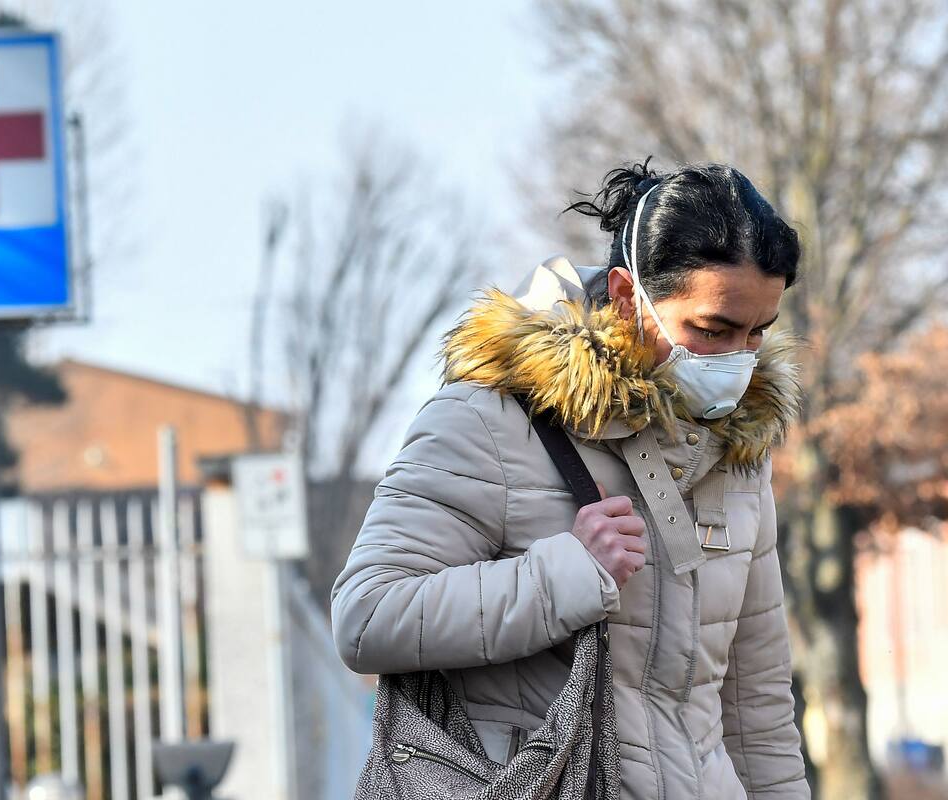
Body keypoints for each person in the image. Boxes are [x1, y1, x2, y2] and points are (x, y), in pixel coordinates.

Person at [330, 158, 811, 799]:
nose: (736, 361)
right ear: (624, 294)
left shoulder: (738, 448)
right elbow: (366, 616)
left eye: (756, 333)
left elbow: (758, 711)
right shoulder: (488, 419)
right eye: (711, 330)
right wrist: (565, 577)